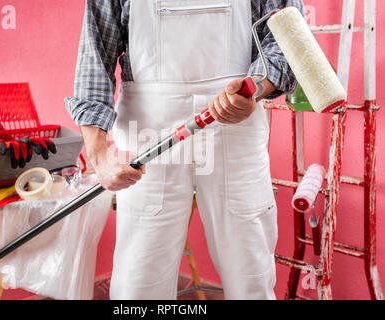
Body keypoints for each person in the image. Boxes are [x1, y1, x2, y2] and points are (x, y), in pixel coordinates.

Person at [65, 0, 305, 300]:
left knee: (251, 275)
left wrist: (254, 87)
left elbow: (286, 37)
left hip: (236, 124)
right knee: (139, 283)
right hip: (148, 131)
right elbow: (95, 56)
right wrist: (100, 158)